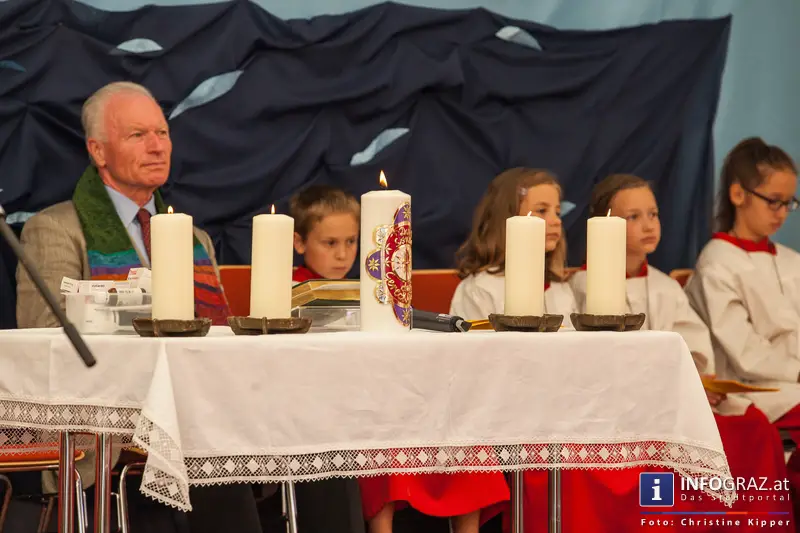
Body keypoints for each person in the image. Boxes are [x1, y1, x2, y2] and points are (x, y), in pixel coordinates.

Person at [15, 81, 261, 533]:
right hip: (111, 430)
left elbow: (219, 342)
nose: (157, 146)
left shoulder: (195, 240)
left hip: (201, 416)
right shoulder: (56, 230)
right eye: (137, 135)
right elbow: (45, 339)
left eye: (162, 133)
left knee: (323, 465)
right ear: (98, 151)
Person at [568, 172, 793, 533]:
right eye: (633, 217)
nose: (649, 225)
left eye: (653, 214)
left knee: (754, 429)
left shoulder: (664, 286)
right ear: (602, 227)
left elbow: (695, 346)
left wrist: (700, 382)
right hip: (628, 410)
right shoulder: (580, 287)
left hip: (682, 403)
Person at [449, 167, 577, 533]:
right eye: (541, 211)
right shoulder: (480, 288)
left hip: (561, 413)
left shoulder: (561, 288)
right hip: (500, 417)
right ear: (508, 220)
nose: (555, 221)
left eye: (557, 211)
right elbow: (472, 365)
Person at [290, 184, 360, 282]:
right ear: (299, 242)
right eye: (330, 243)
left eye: (350, 241)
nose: (342, 255)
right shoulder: (291, 288)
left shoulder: (362, 287)